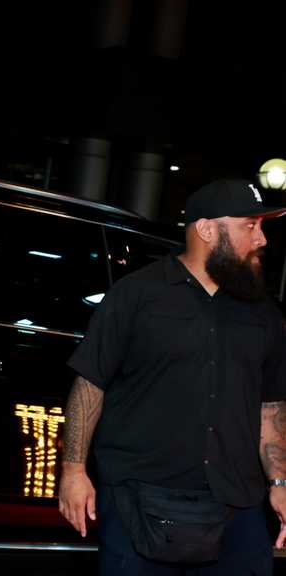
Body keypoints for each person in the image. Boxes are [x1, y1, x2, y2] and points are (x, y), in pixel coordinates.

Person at [58, 179, 286, 575]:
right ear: (207, 229)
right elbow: (90, 383)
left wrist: (281, 485)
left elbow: (270, 406)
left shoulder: (264, 314)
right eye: (250, 226)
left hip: (237, 504)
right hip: (141, 499)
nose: (261, 238)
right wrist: (74, 471)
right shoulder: (137, 295)